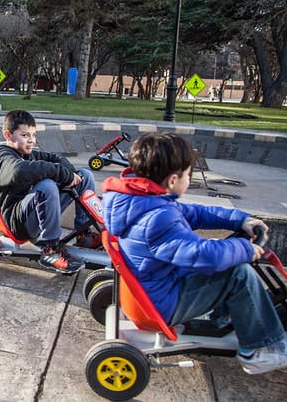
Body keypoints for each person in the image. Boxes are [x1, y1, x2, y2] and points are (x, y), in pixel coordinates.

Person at [102, 132, 287, 375]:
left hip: (159, 286)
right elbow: (203, 257)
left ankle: (229, 317)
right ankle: (259, 350)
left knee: (230, 262)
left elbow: (194, 213)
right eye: (188, 175)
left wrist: (239, 220)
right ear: (172, 180)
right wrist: (244, 248)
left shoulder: (141, 199)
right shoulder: (158, 217)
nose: (189, 179)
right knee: (238, 274)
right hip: (165, 302)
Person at [0, 110, 98, 274]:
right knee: (47, 186)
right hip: (17, 222)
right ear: (8, 135)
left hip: (33, 213)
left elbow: (56, 159)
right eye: (25, 135)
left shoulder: (28, 153)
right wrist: (61, 173)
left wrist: (70, 174)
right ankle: (50, 248)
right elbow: (18, 171)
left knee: (85, 176)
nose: (31, 141)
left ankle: (83, 235)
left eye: (33, 135)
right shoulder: (0, 156)